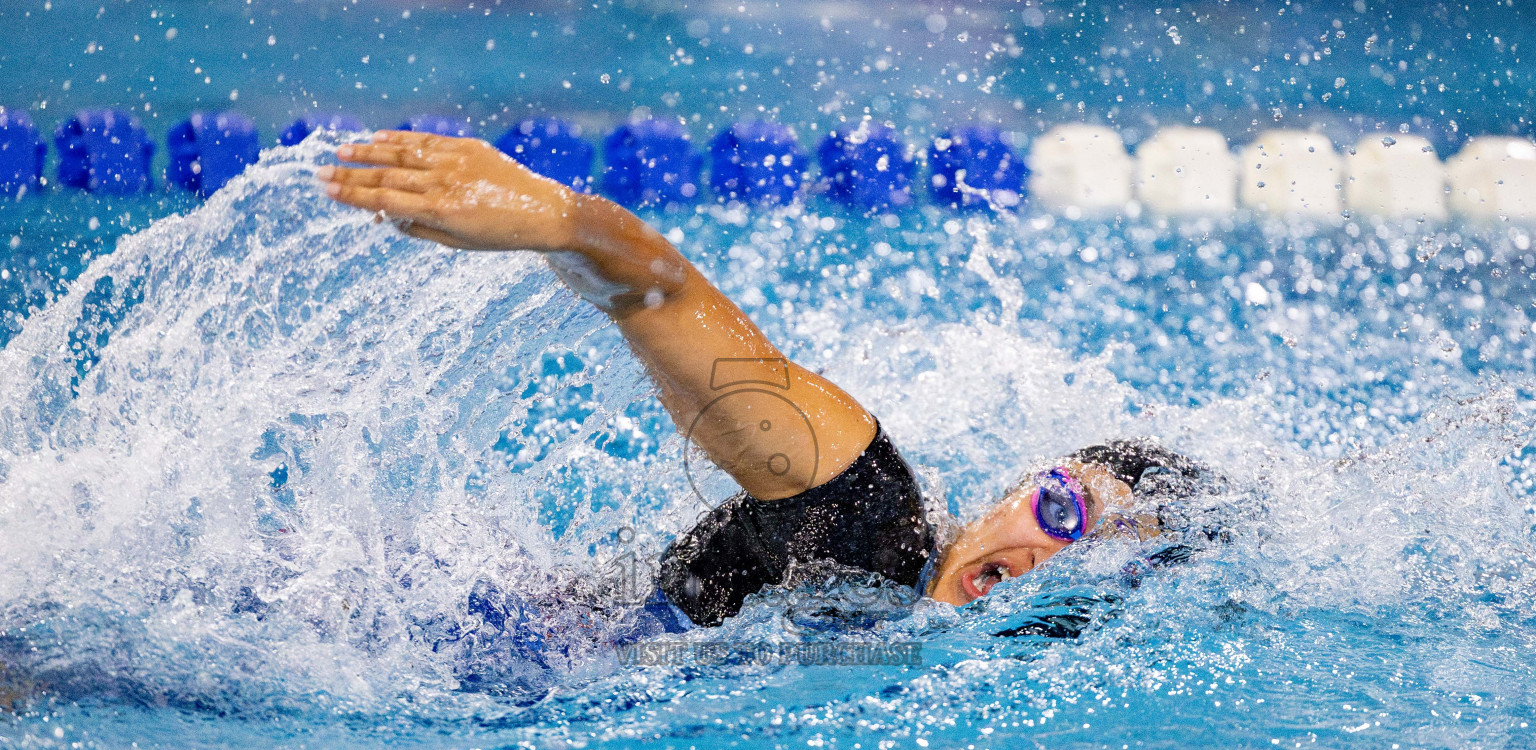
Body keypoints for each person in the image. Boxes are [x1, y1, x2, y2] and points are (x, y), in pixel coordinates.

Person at [318, 131, 1216, 631]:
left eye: (1095, 562)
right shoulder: (865, 518)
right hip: (450, 635)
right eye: (1063, 515)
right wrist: (560, 219)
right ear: (1022, 490)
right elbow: (662, 290)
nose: (1044, 563)